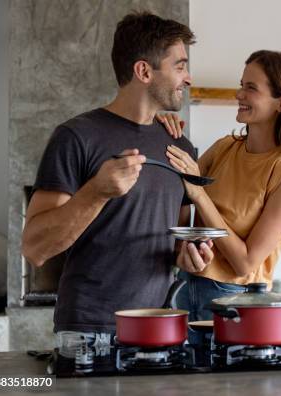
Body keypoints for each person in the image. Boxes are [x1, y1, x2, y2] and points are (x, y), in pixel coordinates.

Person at [21, 11, 213, 351]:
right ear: (143, 71)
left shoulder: (180, 146)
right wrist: (96, 192)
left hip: (160, 328)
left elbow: (177, 240)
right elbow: (35, 248)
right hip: (89, 332)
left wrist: (188, 255)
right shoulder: (75, 138)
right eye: (179, 66)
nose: (188, 78)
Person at [158, 50, 281, 322]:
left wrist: (200, 194)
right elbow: (178, 192)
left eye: (251, 88)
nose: (239, 94)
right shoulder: (225, 147)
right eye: (241, 85)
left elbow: (245, 263)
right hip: (184, 285)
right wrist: (163, 129)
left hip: (235, 299)